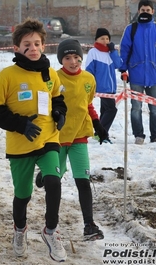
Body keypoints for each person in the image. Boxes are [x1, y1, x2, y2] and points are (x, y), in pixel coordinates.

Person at [0, 18, 67, 261]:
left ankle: (50, 230)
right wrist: (20, 125)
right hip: (21, 144)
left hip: (49, 138)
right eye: (27, 44)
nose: (33, 48)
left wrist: (60, 112)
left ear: (44, 46)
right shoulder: (8, 76)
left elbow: (57, 97)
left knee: (54, 182)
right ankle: (19, 229)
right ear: (17, 48)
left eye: (37, 44)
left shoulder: (50, 72)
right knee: (23, 195)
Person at [37, 39, 107, 241]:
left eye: (76, 57)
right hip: (56, 138)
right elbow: (45, 104)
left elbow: (88, 104)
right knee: (54, 181)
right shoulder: (53, 78)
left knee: (83, 181)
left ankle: (89, 225)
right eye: (68, 58)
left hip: (79, 137)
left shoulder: (88, 79)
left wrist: (98, 125)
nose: (73, 61)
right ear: (61, 59)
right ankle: (51, 222)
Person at [119, 0, 156, 145]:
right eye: (143, 10)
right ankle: (138, 135)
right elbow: (125, 49)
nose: (145, 12)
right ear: (138, 11)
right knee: (136, 108)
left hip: (154, 75)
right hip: (136, 74)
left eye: (148, 10)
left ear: (153, 11)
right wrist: (123, 68)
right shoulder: (132, 29)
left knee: (155, 109)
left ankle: (155, 135)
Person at [85, 28, 122, 143]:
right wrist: (90, 86)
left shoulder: (110, 52)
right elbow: (89, 71)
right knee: (112, 110)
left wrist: (113, 51)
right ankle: (101, 133)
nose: (105, 41)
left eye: (107, 38)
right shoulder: (93, 52)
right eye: (102, 38)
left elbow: (119, 64)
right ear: (97, 39)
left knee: (105, 110)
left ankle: (101, 134)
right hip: (101, 88)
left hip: (111, 88)